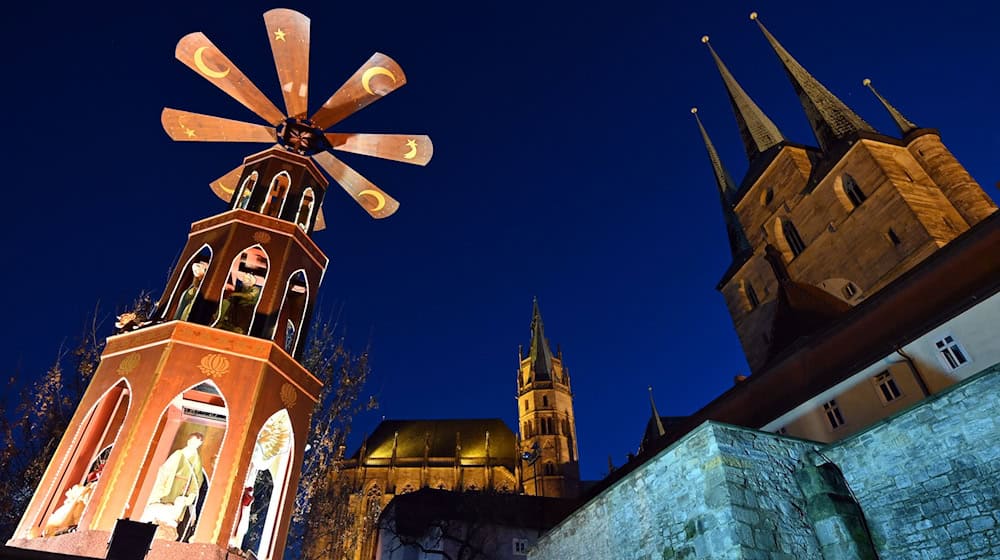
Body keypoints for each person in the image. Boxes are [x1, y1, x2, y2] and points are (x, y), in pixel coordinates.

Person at [140, 432, 205, 540]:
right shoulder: (178, 454)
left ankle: (167, 533)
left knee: (177, 509)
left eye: (198, 444)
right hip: (170, 485)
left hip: (183, 489)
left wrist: (191, 493)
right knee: (162, 508)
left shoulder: (196, 460)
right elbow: (165, 470)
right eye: (194, 442)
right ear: (189, 441)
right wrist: (162, 485)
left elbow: (198, 479)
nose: (195, 446)